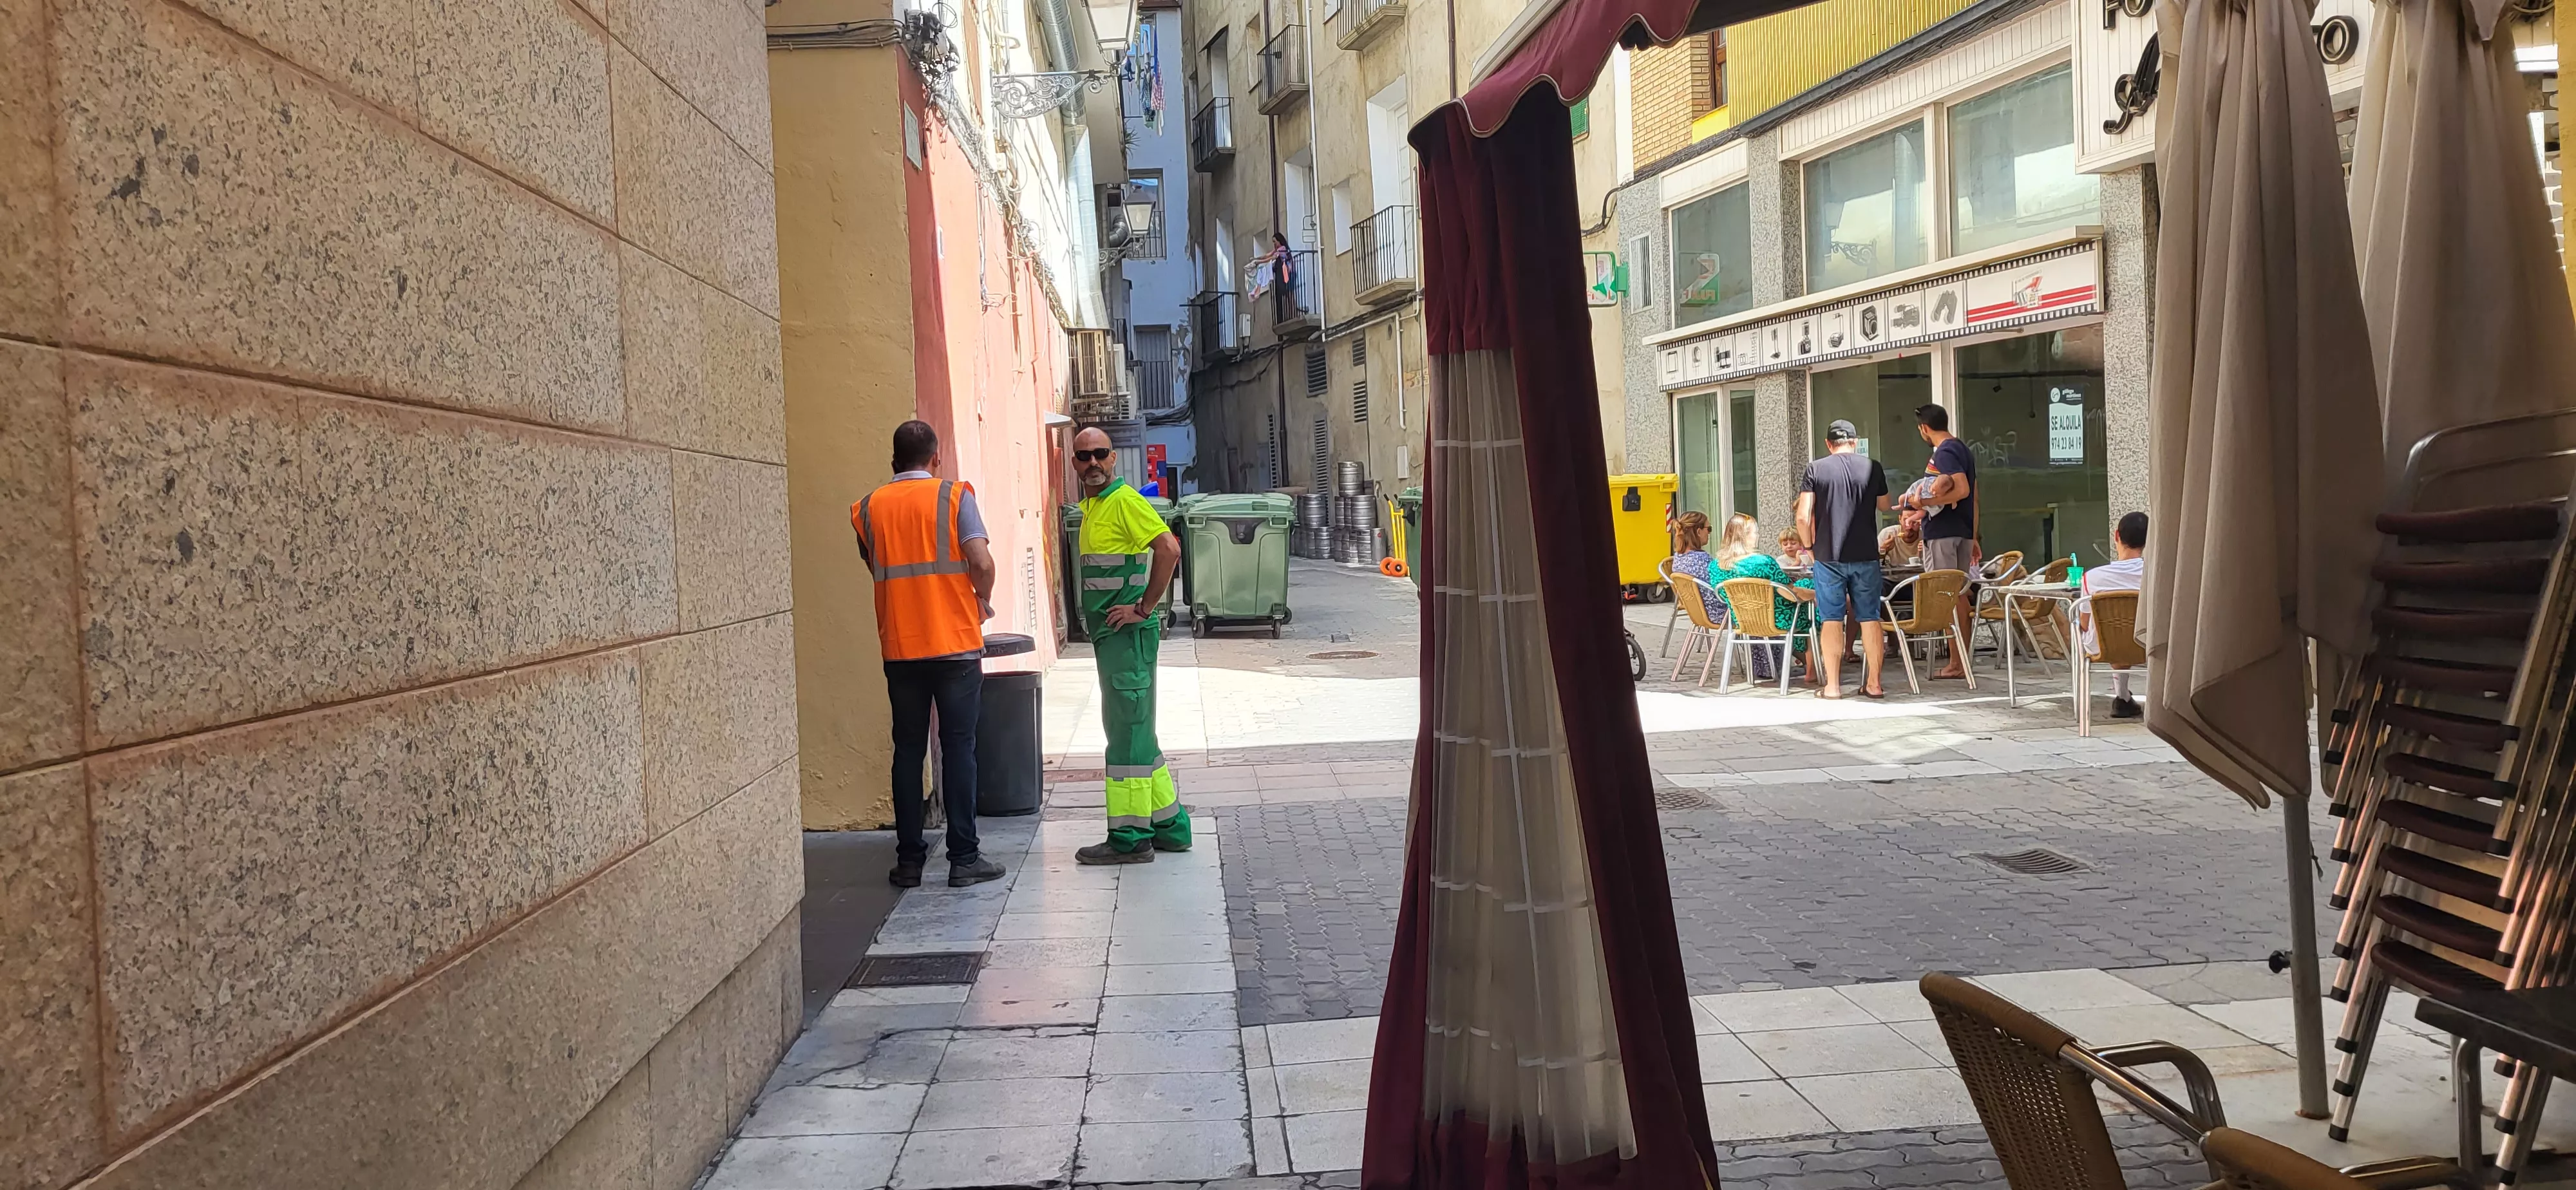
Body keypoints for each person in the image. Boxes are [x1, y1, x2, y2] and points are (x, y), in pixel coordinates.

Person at [854, 420, 1007, 889]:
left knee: (908, 750)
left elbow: (875, 564)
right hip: (955, 645)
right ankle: (964, 858)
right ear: (936, 458)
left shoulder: (868, 509)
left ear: (894, 461)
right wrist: (981, 601)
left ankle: (909, 862)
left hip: (901, 646)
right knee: (959, 746)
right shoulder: (955, 497)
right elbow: (979, 561)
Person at [1070, 426, 1191, 862]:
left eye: (1100, 454)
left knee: (1125, 741)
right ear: (1075, 463)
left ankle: (1129, 839)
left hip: (1127, 639)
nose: (1093, 464)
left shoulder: (1123, 502)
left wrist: (1143, 608)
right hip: (1117, 642)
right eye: (1084, 457)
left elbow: (1169, 549)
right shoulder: (1094, 507)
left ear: (1114, 458)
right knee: (1138, 734)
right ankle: (1170, 826)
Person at [1795, 420, 1892, 699]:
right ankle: (1874, 684)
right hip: (1866, 555)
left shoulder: (1816, 469)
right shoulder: (1872, 467)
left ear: (1828, 444)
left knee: (1832, 619)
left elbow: (1803, 516)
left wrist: (1809, 546)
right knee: (1870, 618)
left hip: (1828, 557)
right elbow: (1885, 505)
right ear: (1855, 441)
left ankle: (1833, 687)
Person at [1894, 403, 1977, 680]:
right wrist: (1973, 535)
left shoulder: (1945, 452)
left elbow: (1962, 490)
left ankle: (1956, 662)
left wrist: (1924, 501)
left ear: (1924, 429)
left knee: (1946, 597)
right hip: (1962, 531)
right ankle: (1962, 659)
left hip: (1943, 533)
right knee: (1959, 594)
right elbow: (1974, 498)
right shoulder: (1963, 448)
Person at [1710, 512, 1815, 683]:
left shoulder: (1716, 565)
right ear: (1746, 536)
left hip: (1742, 620)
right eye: (1755, 532)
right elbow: (1790, 594)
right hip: (1777, 619)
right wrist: (1815, 594)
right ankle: (1813, 668)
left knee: (1807, 593)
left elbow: (1722, 595)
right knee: (1813, 609)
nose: (1758, 536)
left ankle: (1806, 663)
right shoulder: (1763, 562)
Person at [2076, 511, 2150, 719]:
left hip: (2105, 646)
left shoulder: (2092, 577)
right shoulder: (2157, 573)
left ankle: (2122, 696)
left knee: (2110, 630)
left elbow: (2084, 622)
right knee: (2131, 628)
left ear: (2116, 536)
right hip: (2149, 642)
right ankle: (2124, 698)